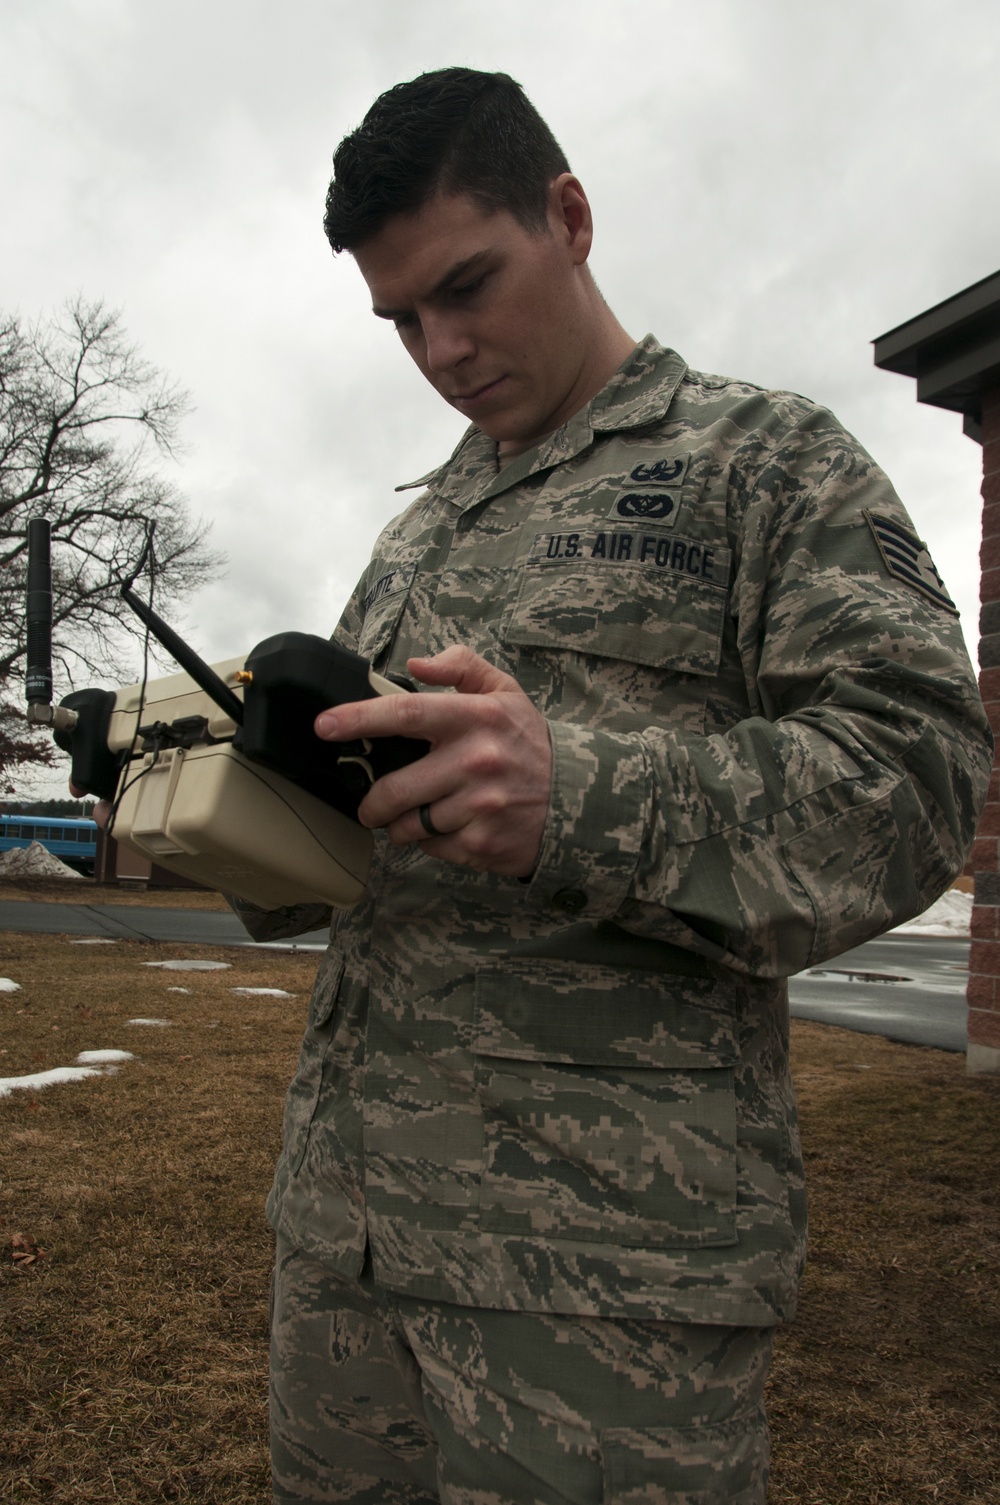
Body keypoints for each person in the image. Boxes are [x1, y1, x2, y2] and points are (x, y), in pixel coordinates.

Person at [233, 68, 991, 1504]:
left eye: (467, 284)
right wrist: (221, 799)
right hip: (349, 1251)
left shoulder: (765, 465)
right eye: (401, 319)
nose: (442, 349)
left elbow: (918, 780)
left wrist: (579, 793)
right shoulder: (424, 528)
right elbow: (364, 856)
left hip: (600, 1287)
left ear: (569, 216)